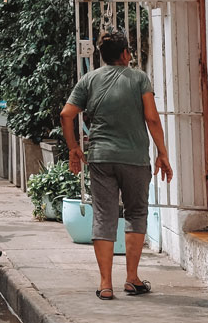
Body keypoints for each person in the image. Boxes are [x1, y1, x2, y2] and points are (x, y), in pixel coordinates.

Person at [61, 30, 173, 301]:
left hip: (101, 158)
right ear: (125, 54)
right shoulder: (139, 79)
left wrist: (74, 148)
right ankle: (132, 279)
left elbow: (67, 114)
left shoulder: (89, 80)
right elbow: (152, 118)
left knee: (104, 216)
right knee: (136, 213)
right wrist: (162, 152)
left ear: (102, 55)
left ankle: (105, 284)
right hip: (134, 158)